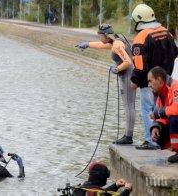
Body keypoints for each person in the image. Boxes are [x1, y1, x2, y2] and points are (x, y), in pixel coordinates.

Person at [76, 24, 136, 144]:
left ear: (106, 35)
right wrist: (87, 44)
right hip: (128, 75)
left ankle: (128, 136)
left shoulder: (117, 45)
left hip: (128, 77)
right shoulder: (117, 40)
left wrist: (117, 69)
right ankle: (127, 135)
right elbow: (101, 45)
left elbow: (128, 62)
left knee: (128, 106)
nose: (100, 39)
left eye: (100, 36)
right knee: (128, 106)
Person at [130, 4, 178, 149]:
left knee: (148, 110)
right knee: (164, 111)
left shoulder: (141, 37)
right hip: (167, 81)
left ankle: (151, 140)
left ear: (139, 20)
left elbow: (139, 65)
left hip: (148, 82)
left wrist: (134, 81)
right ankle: (165, 141)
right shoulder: (166, 32)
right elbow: (175, 53)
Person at [148, 67, 178, 163]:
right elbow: (160, 117)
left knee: (174, 118)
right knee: (158, 131)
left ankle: (176, 151)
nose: (149, 85)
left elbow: (176, 109)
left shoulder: (175, 86)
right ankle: (170, 149)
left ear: (159, 80)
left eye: (150, 81)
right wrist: (155, 127)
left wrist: (159, 112)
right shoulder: (160, 93)